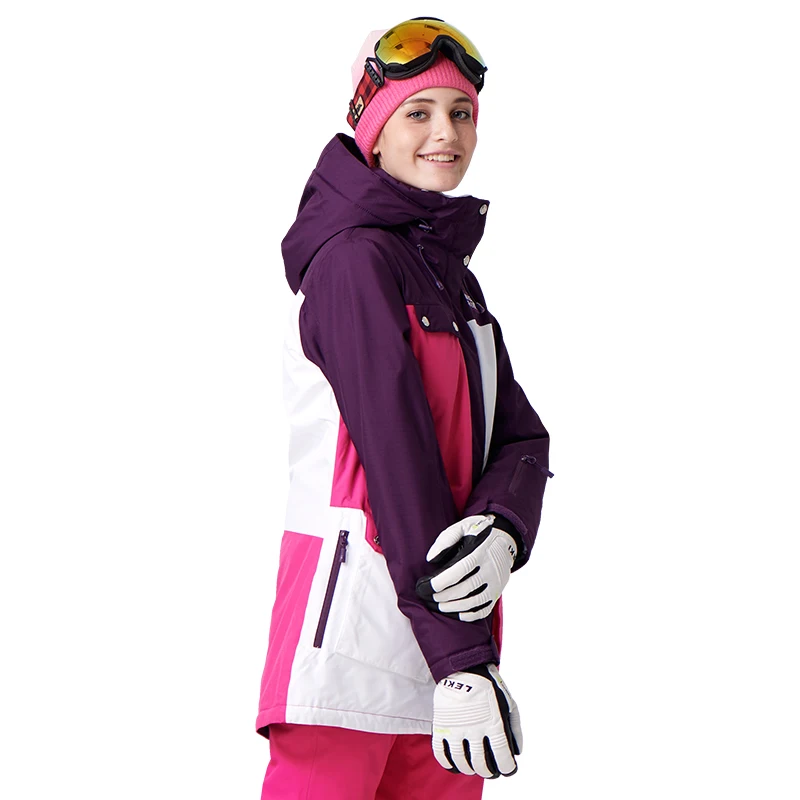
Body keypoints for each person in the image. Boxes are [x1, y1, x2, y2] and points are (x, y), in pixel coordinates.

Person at [255, 17, 552, 799]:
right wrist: (462, 661)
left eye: (460, 112)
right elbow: (398, 462)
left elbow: (522, 437)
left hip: (447, 639)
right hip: (352, 638)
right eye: (418, 112)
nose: (445, 133)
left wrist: (504, 528)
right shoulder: (353, 263)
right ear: (373, 130)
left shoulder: (453, 281)